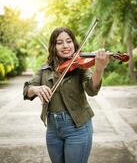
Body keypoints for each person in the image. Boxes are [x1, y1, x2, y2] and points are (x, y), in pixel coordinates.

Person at [23, 27, 109, 163]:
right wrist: (35, 89)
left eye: (69, 41)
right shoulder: (45, 69)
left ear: (74, 44)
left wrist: (99, 69)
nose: (65, 46)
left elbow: (92, 90)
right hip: (52, 129)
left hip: (77, 126)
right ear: (53, 46)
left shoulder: (80, 67)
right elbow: (27, 89)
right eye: (59, 42)